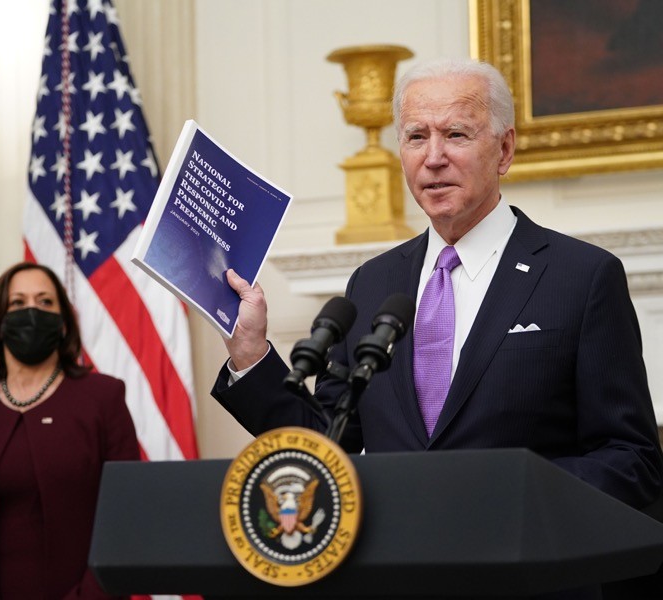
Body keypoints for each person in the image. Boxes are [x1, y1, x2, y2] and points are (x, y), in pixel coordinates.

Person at [212, 58, 662, 510]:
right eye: (416, 137)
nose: (433, 158)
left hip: (523, 568)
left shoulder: (581, 277)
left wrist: (504, 492)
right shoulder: (372, 283)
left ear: (504, 150)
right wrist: (250, 354)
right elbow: (325, 449)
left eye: (456, 135)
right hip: (401, 572)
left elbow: (632, 462)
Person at [0, 262, 140, 599]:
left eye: (45, 302)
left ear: (64, 323)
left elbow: (126, 522)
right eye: (18, 303)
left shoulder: (104, 398)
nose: (32, 312)